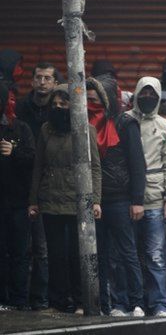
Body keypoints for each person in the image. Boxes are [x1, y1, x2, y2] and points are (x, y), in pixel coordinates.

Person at [28, 84, 102, 313]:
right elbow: (38, 166)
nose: (58, 107)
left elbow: (96, 168)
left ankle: (81, 300)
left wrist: (96, 200)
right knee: (56, 254)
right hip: (50, 199)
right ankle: (58, 302)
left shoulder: (85, 130)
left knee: (76, 254)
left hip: (77, 200)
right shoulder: (46, 130)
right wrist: (33, 201)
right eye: (55, 104)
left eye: (64, 104)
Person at [86, 77, 147, 317]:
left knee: (127, 253)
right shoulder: (85, 121)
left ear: (107, 99)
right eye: (87, 99)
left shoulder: (125, 123)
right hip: (96, 199)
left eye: (94, 99)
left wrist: (137, 200)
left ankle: (135, 302)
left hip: (121, 198)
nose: (90, 103)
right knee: (100, 254)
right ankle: (107, 303)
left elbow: (137, 164)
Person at [126, 77, 166, 317]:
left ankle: (159, 305)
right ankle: (131, 303)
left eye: (152, 94)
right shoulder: (124, 121)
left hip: (156, 199)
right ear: (136, 94)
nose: (147, 97)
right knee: (128, 254)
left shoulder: (165, 126)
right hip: (127, 198)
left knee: (156, 256)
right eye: (143, 93)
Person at [13, 59, 53, 311]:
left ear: (54, 82)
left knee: (43, 248)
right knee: (20, 247)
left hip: (47, 185)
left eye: (47, 78)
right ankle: (19, 298)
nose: (42, 82)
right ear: (32, 80)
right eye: (38, 77)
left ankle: (40, 298)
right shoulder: (21, 108)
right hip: (20, 183)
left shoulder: (60, 108)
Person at [0, 83, 35, 311]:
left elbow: (33, 161)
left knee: (20, 254)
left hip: (18, 202)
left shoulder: (20, 128)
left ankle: (19, 300)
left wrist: (14, 153)